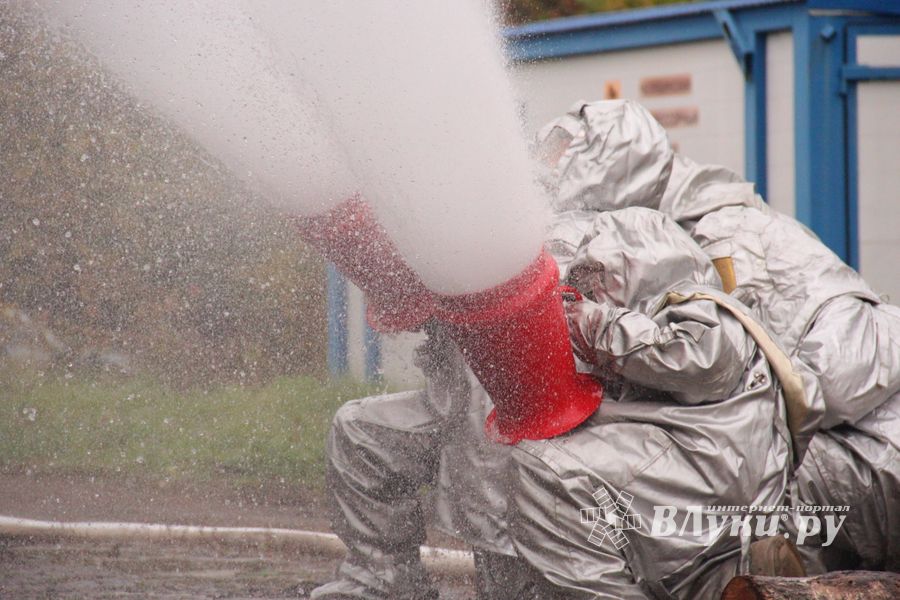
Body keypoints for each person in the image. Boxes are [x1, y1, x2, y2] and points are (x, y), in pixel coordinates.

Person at [540, 98, 900, 571]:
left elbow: (855, 358)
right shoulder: (658, 235)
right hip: (832, 453)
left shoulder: (729, 236)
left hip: (868, 452)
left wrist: (740, 407)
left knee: (692, 491)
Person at [505, 207, 821, 598]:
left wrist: (597, 327)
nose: (586, 296)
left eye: (594, 282)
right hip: (714, 501)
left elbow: (703, 360)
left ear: (637, 270)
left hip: (708, 485)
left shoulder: (703, 310)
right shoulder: (673, 313)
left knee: (545, 469)